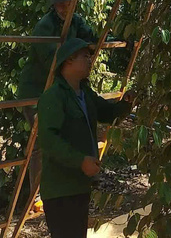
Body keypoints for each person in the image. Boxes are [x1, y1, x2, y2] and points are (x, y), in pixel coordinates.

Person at [38, 38, 134, 238]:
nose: (90, 60)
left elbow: (108, 113)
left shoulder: (85, 94)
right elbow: (49, 140)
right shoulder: (53, 97)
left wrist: (126, 103)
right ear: (69, 61)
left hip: (79, 185)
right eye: (85, 56)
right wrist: (80, 161)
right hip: (60, 189)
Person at [17, 0, 97, 209]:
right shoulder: (45, 26)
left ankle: (60, 189)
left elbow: (92, 35)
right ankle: (36, 194)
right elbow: (53, 63)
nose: (65, 8)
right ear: (54, 6)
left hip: (56, 90)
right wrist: (76, 65)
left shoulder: (75, 20)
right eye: (61, 4)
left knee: (65, 136)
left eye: (69, 3)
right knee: (41, 140)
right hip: (37, 90)